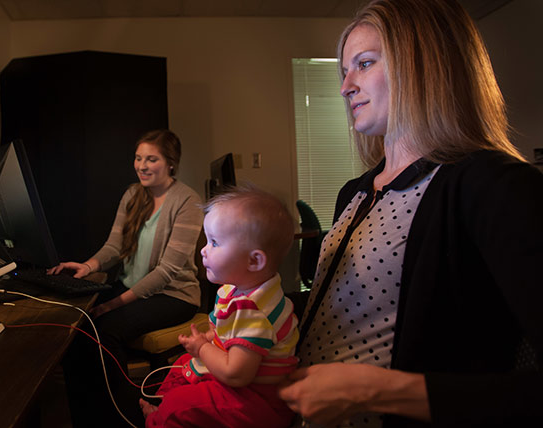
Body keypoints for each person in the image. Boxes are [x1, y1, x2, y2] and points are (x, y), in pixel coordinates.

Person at [277, 0, 543, 427]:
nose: (345, 87)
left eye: (364, 64)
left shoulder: (493, 185)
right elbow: (346, 306)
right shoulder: (356, 192)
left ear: (424, 66)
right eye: (344, 71)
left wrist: (374, 391)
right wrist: (257, 308)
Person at [49, 129, 203, 427]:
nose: (142, 165)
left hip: (173, 296)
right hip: (132, 288)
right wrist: (88, 266)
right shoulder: (133, 194)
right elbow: (114, 246)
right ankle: (88, 416)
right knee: (77, 325)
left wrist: (113, 304)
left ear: (171, 163)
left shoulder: (187, 201)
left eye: (151, 159)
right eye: (138, 158)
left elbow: (167, 272)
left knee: (106, 330)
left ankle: (127, 417)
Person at [141, 185, 299, 428]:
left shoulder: (252, 310)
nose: (204, 250)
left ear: (254, 260)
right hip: (243, 385)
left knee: (179, 406)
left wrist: (204, 347)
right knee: (181, 365)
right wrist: (212, 337)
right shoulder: (240, 290)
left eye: (214, 242)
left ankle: (161, 418)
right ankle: (163, 408)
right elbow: (235, 336)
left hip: (257, 400)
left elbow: (236, 373)